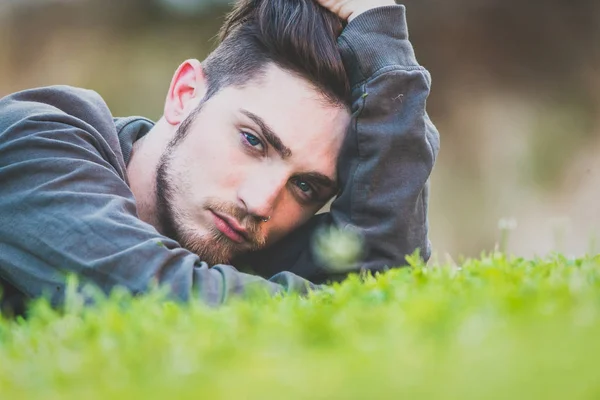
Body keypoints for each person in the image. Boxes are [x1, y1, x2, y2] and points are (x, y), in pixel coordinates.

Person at [0, 0, 439, 313]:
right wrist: (343, 307)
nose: (262, 203)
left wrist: (388, 60)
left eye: (305, 186)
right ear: (185, 94)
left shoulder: (240, 250)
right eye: (253, 141)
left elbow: (383, 282)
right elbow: (150, 292)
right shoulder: (30, 141)